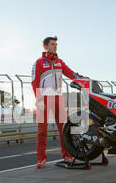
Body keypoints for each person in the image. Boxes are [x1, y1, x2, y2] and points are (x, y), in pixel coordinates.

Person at [31, 36, 83, 168]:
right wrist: (39, 99)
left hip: (57, 98)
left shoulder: (60, 62)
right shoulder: (39, 62)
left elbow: (70, 73)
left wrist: (81, 78)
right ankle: (41, 159)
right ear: (45, 46)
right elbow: (34, 82)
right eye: (53, 44)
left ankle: (67, 155)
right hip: (44, 98)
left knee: (64, 129)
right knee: (42, 131)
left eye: (56, 44)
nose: (55, 46)